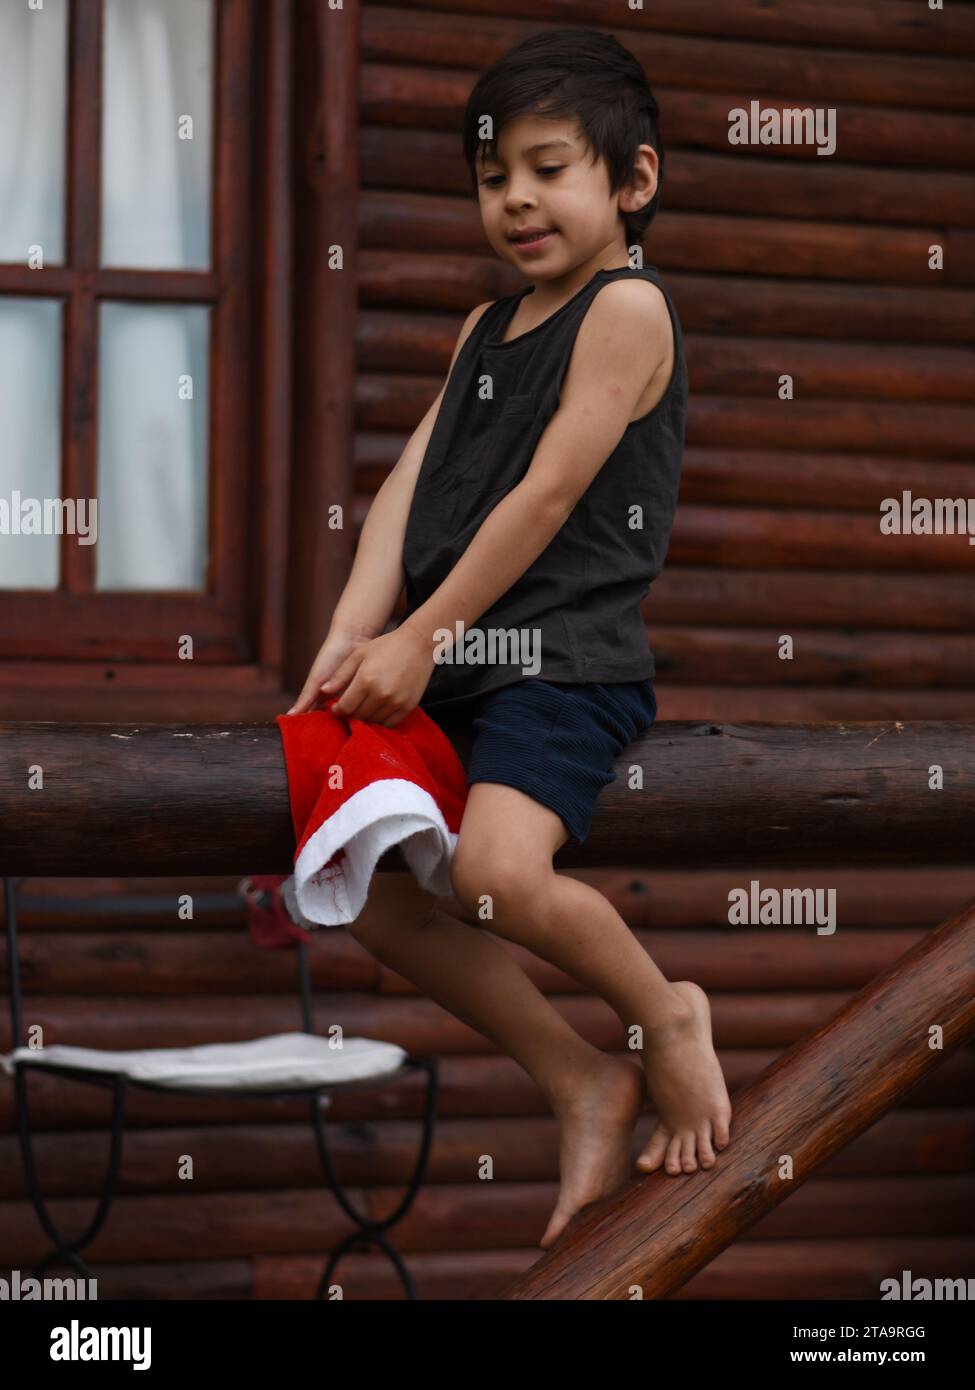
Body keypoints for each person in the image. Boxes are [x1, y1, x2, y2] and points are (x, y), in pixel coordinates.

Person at [285, 27, 732, 1251]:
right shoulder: (485, 332)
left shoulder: (628, 308)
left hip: (562, 663)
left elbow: (543, 497)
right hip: (457, 661)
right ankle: (580, 1075)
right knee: (362, 888)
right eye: (493, 178)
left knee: (495, 876)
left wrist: (423, 636)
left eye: (548, 168)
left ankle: (667, 1015)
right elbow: (410, 488)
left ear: (632, 182)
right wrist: (351, 628)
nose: (516, 199)